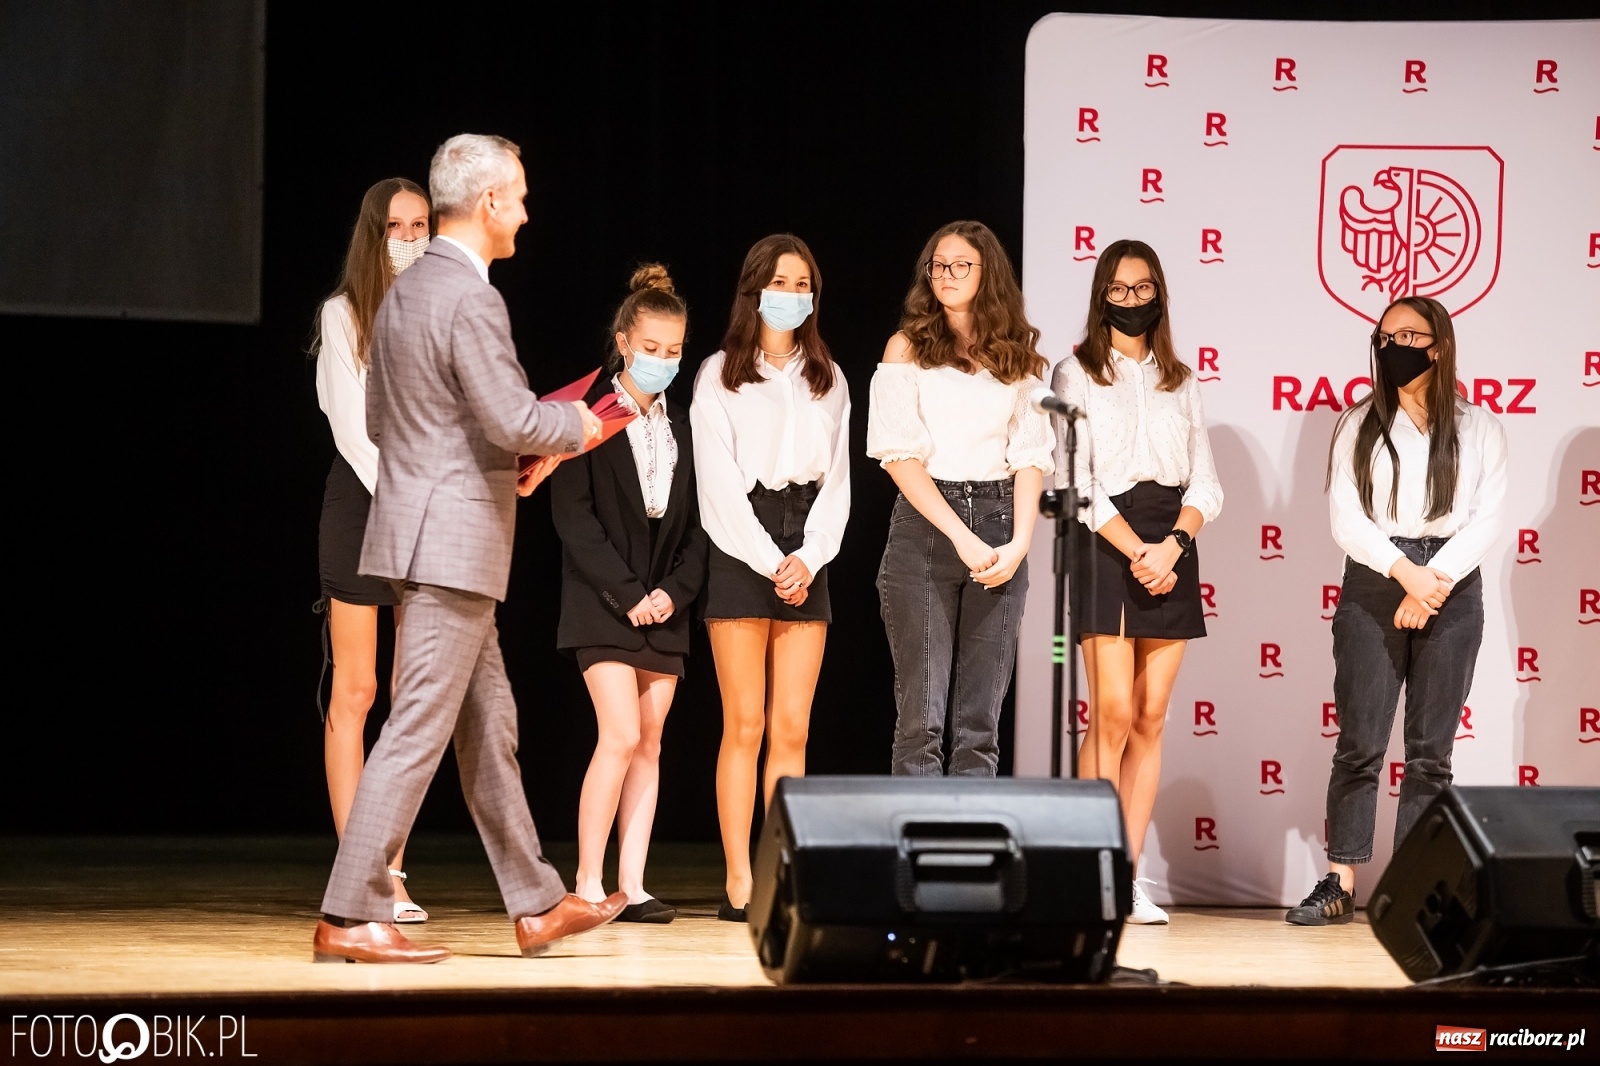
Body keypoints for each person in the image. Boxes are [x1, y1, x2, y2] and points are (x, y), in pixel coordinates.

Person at [312, 133, 624, 964]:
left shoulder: (404, 293)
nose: (523, 210)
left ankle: (535, 902)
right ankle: (349, 914)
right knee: (416, 726)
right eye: (517, 196)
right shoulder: (471, 297)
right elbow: (513, 416)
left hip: (427, 531)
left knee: (491, 728)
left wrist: (493, 458)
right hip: (451, 540)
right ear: (488, 203)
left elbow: (387, 424)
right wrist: (582, 425)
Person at [1288, 296, 1505, 927]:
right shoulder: (1359, 423)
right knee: (1359, 743)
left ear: (1437, 346)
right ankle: (1340, 882)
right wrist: (1407, 576)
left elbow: (1485, 521)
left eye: (1408, 335)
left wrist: (1431, 581)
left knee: (1430, 754)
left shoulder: (1480, 426)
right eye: (1384, 336)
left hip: (1452, 586)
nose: (1393, 346)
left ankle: (1413, 890)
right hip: (1377, 579)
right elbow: (1346, 521)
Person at [1051, 239, 1223, 925]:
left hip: (1172, 544)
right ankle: (1090, 869)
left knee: (1152, 718)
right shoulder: (1076, 373)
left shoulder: (1183, 379)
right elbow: (1077, 479)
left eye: (1142, 287)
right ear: (1101, 296)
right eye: (1118, 289)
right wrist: (1138, 550)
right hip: (1107, 541)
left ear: (1160, 294)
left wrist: (1174, 546)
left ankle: (1127, 875)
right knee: (1113, 713)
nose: (1131, 299)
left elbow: (1206, 482)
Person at [691, 234, 850, 921]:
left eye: (803, 282)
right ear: (754, 290)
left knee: (792, 727)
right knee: (746, 723)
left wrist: (810, 558)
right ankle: (738, 879)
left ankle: (780, 872)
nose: (792, 294)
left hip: (806, 542)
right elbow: (718, 485)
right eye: (780, 282)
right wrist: (767, 559)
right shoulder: (718, 373)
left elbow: (840, 483)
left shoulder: (829, 377)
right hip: (741, 543)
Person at [868, 220, 1054, 778]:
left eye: (960, 265)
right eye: (938, 265)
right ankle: (917, 860)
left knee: (979, 725)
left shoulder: (1018, 353)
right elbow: (898, 455)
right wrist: (961, 535)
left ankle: (968, 859)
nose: (946, 275)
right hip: (927, 529)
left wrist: (1019, 542)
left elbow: (1030, 456)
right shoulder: (907, 348)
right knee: (919, 722)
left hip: (1001, 521)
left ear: (986, 272)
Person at [550, 264, 708, 925]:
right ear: (623, 342)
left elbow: (703, 526)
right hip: (601, 601)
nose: (662, 363)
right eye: (651, 350)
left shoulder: (685, 428)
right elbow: (573, 518)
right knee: (616, 734)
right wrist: (627, 594)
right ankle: (587, 882)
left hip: (664, 608)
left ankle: (632, 884)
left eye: (673, 353)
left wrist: (673, 593)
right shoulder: (585, 415)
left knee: (650, 742)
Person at [312, 177, 432, 924]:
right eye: (398, 225)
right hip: (369, 508)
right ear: (374, 232)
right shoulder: (344, 313)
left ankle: (392, 867)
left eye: (422, 225)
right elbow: (354, 432)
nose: (411, 238)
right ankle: (356, 874)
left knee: (410, 701)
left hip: (430, 513)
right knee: (355, 692)